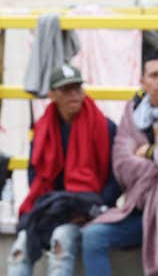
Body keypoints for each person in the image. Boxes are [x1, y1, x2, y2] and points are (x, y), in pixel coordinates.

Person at [81, 50, 158, 276]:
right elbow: (122, 165)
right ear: (143, 81)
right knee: (93, 236)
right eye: (154, 75)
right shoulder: (132, 111)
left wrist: (149, 151)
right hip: (141, 209)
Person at [8, 64, 120, 276]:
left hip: (88, 210)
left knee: (61, 242)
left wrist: (92, 209)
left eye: (77, 88)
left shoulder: (104, 127)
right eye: (66, 90)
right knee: (19, 249)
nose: (73, 95)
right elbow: (35, 174)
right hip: (50, 209)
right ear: (52, 94)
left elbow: (115, 179)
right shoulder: (42, 128)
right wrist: (53, 208)